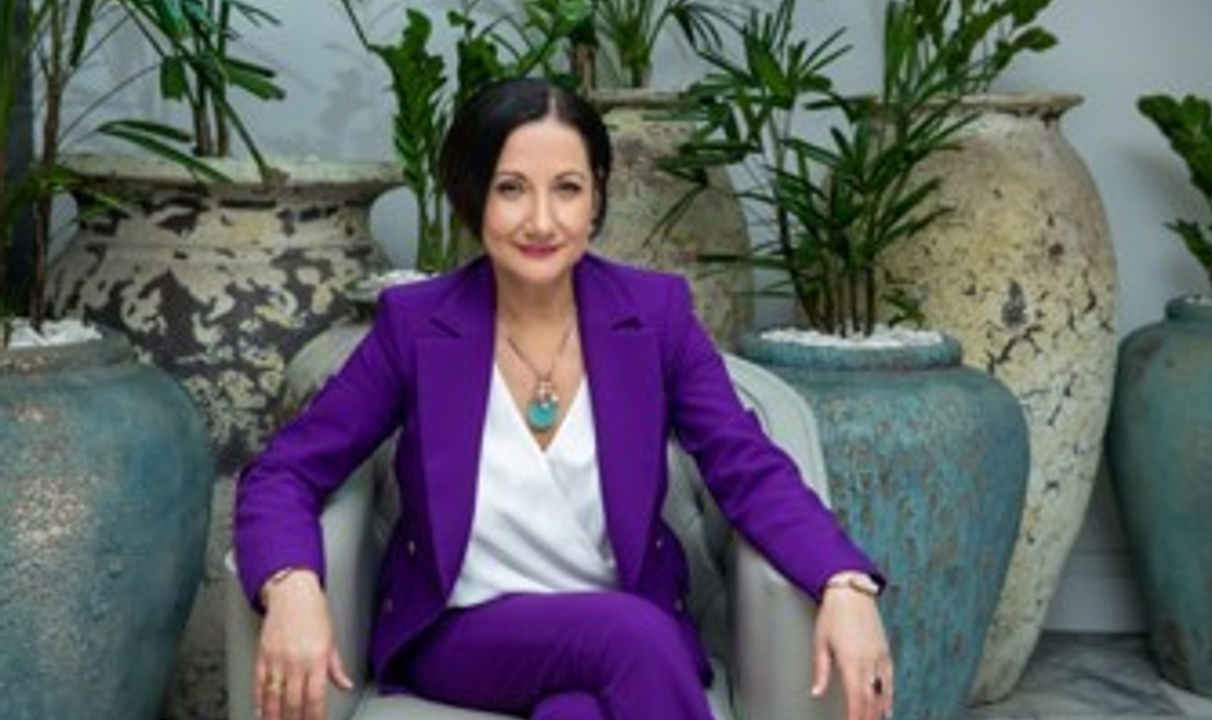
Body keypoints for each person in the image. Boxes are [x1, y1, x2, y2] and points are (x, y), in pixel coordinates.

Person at [234, 76, 893, 720]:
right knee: (632, 637)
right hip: (465, 635)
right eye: (511, 189)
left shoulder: (653, 316)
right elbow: (285, 470)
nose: (542, 220)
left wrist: (842, 581)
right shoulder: (416, 325)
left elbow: (744, 463)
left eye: (568, 188)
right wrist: (291, 583)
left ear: (596, 196)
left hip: (621, 633)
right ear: (473, 195)